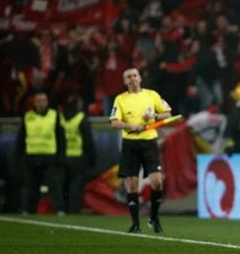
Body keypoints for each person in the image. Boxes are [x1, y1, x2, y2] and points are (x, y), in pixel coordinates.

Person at [110, 68, 172, 233]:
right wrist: (129, 125)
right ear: (125, 81)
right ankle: (135, 224)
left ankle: (154, 217)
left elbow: (168, 113)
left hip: (149, 142)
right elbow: (114, 122)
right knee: (132, 184)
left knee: (157, 181)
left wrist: (155, 117)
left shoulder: (152, 95)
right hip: (130, 144)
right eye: (128, 77)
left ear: (140, 78)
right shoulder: (120, 99)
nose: (132, 79)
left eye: (134, 76)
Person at [15, 92, 66, 214]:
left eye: (43, 101)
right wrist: (18, 156)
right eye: (38, 101)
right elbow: (21, 138)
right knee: (30, 186)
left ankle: (59, 209)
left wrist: (61, 155)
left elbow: (60, 137)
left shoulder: (54, 115)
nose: (41, 103)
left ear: (47, 102)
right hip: (31, 156)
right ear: (35, 103)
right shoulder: (28, 116)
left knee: (54, 185)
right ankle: (27, 209)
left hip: (49, 156)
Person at [59, 95, 96, 213]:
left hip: (62, 157)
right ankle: (74, 209)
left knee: (63, 184)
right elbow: (88, 141)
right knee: (76, 186)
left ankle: (62, 208)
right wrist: (92, 158)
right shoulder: (81, 118)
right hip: (78, 157)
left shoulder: (60, 119)